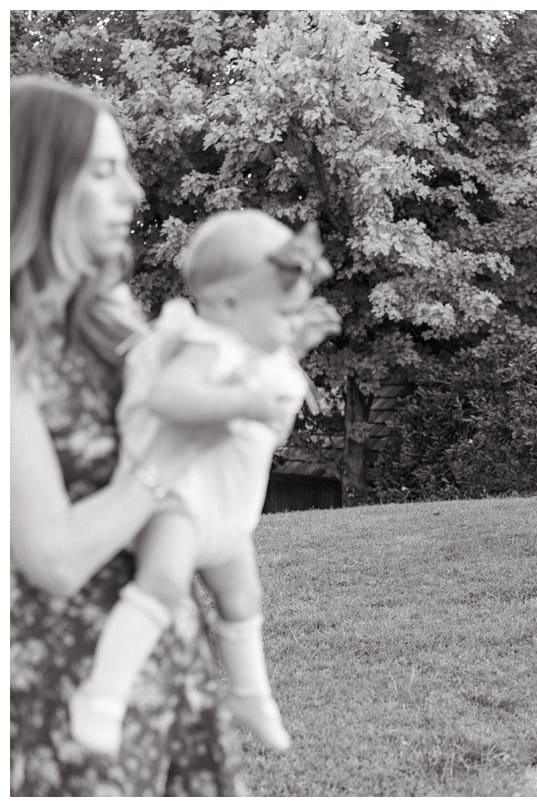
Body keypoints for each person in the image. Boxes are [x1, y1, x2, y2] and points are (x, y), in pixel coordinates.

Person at [9, 75, 336, 795]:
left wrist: (273, 356)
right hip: (64, 688)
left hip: (171, 665)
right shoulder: (11, 350)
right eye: (103, 171)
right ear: (32, 184)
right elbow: (54, 560)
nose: (131, 192)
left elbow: (235, 423)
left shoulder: (113, 317)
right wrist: (174, 457)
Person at [68, 210, 337, 756]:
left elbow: (267, 382)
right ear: (231, 304)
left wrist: (294, 345)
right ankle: (102, 695)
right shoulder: (201, 342)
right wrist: (245, 401)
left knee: (243, 595)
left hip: (223, 510)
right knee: (163, 583)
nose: (291, 322)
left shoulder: (247, 345)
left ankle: (251, 696)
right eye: (284, 312)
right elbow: (172, 397)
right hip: (177, 499)